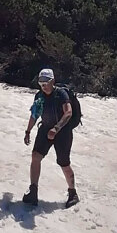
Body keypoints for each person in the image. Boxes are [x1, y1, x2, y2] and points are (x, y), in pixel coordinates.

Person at [23, 67, 79, 208]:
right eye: (41, 83)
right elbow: (34, 114)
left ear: (52, 81)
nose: (43, 86)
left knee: (63, 163)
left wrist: (56, 128)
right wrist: (28, 131)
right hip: (45, 129)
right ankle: (33, 191)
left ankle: (73, 193)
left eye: (46, 83)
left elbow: (68, 113)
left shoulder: (61, 94)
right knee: (36, 156)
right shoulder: (39, 96)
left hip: (63, 132)